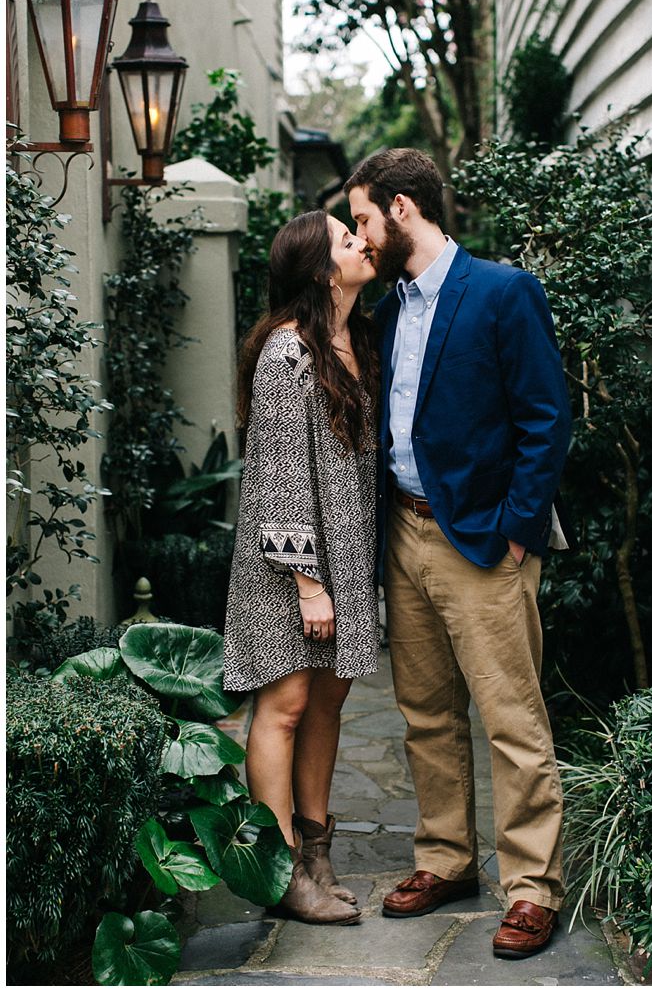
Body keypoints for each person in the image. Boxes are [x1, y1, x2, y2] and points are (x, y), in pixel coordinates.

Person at [344, 148, 571, 960]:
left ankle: (532, 886)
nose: (359, 237)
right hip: (401, 534)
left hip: (480, 541)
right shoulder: (390, 309)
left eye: (364, 219)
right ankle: (446, 860)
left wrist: (516, 527)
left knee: (512, 720)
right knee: (426, 715)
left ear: (403, 210)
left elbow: (548, 417)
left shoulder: (504, 293)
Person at [224, 209, 382, 925]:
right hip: (288, 567)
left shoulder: (354, 339)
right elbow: (283, 478)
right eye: (348, 240)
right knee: (283, 709)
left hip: (346, 558)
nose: (362, 243)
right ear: (322, 269)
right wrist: (309, 585)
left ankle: (317, 856)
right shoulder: (285, 354)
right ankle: (280, 869)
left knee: (328, 704)